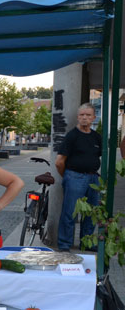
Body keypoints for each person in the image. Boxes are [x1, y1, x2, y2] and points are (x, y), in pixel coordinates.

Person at [55, 103, 101, 252]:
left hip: (93, 179)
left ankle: (86, 243)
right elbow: (59, 162)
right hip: (74, 177)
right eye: (82, 115)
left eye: (88, 115)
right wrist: (68, 177)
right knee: (70, 212)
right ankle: (64, 244)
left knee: (91, 213)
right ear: (77, 117)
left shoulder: (96, 137)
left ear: (94, 118)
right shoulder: (72, 136)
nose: (84, 118)